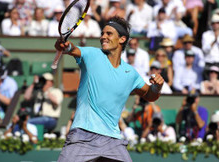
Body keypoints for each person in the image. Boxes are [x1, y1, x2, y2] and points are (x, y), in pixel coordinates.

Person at [55, 16, 164, 162]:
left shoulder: (130, 73)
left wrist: (157, 87)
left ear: (122, 39)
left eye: (109, 34)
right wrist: (64, 46)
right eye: (102, 33)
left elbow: (150, 96)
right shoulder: (92, 54)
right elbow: (72, 49)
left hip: (112, 140)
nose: (103, 37)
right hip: (83, 135)